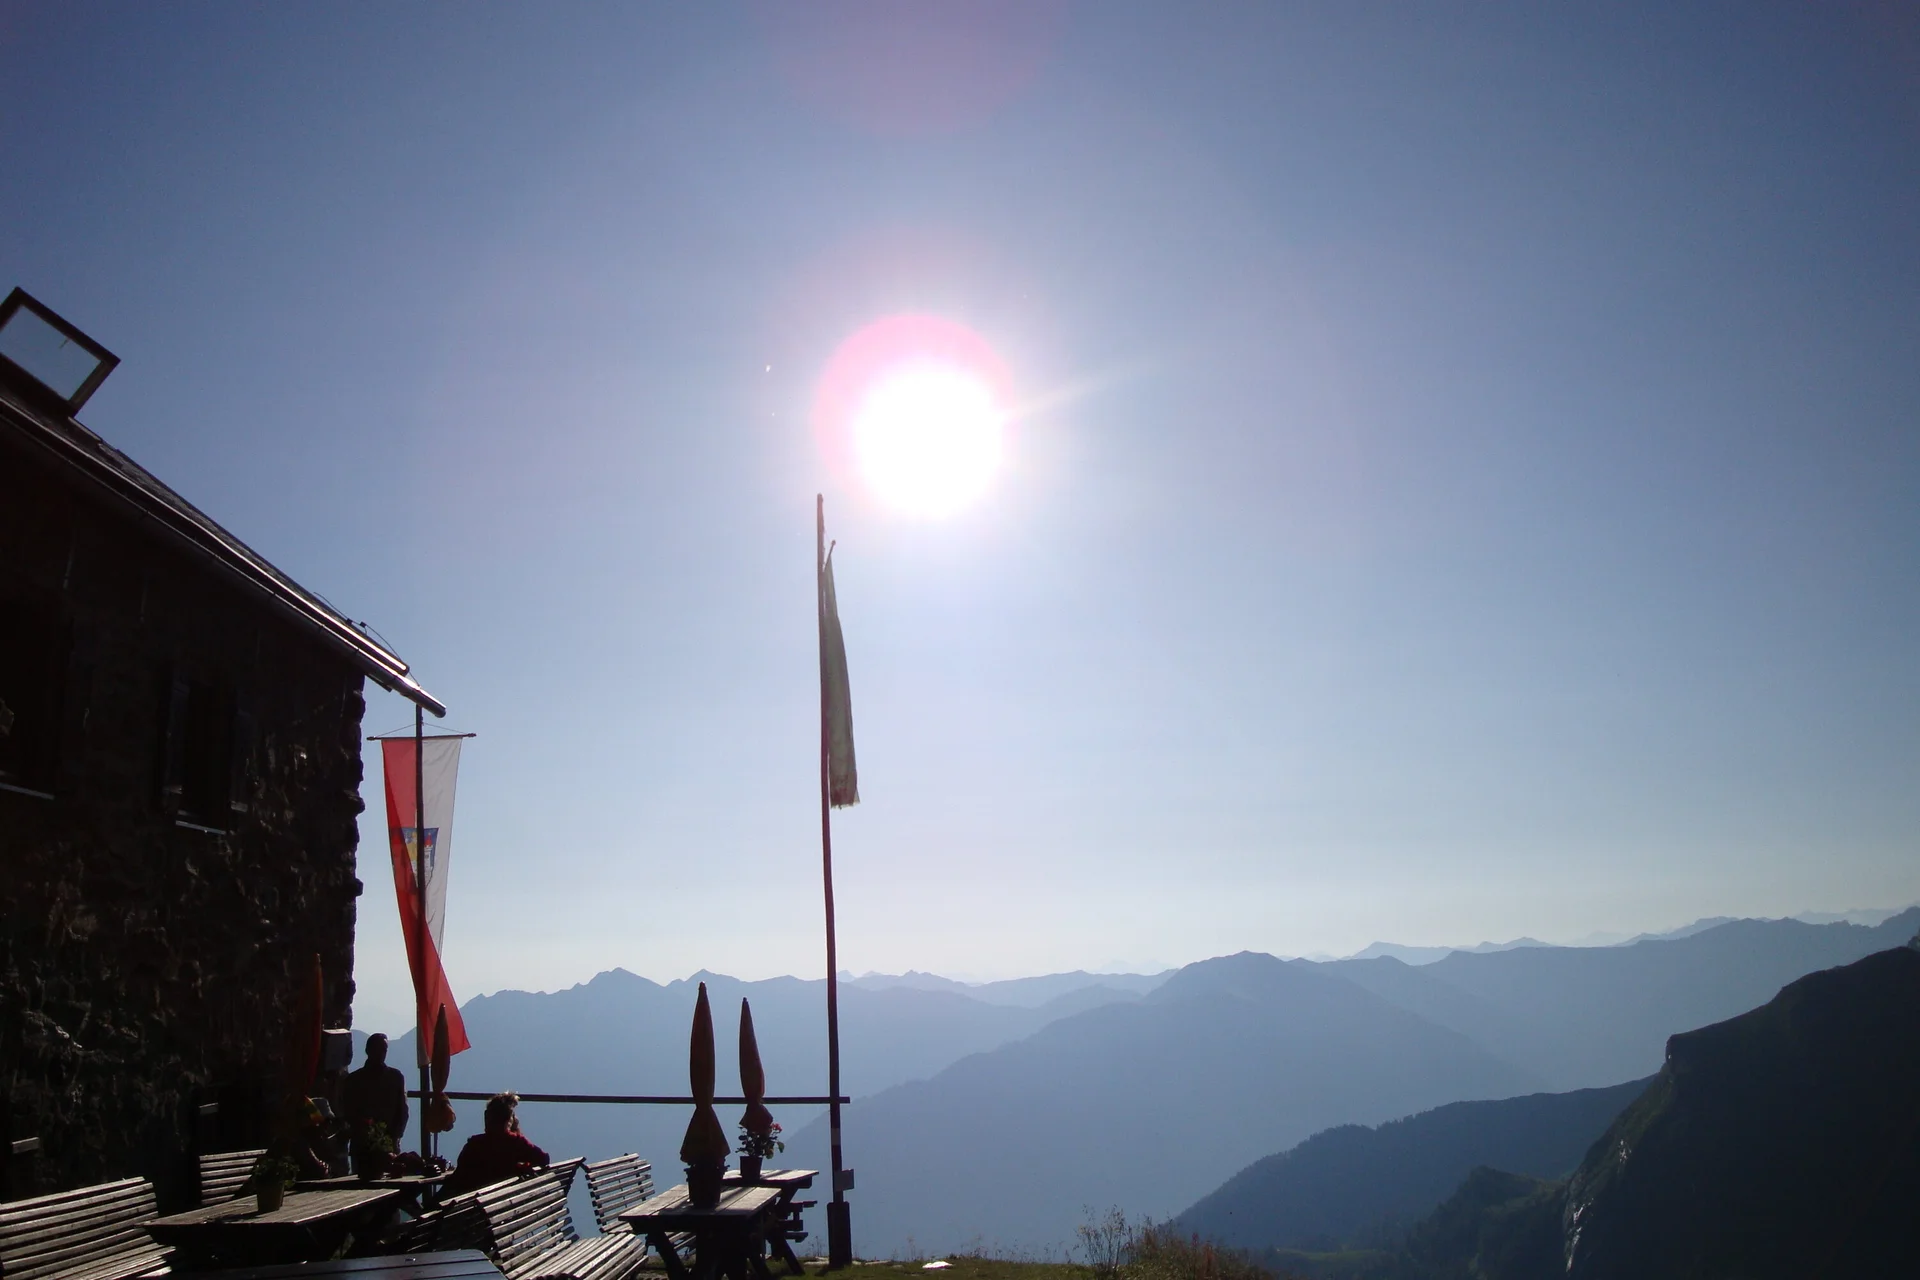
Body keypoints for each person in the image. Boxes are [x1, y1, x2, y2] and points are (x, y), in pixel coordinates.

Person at [441, 1093, 550, 1196]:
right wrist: (520, 1167)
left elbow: (459, 1177)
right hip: (499, 1204)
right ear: (509, 1120)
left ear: (488, 1117)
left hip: (468, 1206)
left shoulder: (474, 1145)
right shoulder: (516, 1143)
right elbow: (543, 1159)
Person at [342, 1033, 409, 1162]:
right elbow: (348, 1112)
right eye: (378, 1049)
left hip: (388, 1142)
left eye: (384, 1049)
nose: (381, 1053)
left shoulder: (395, 1077)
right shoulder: (353, 1081)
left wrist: (396, 1137)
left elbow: (403, 1111)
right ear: (368, 1050)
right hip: (362, 1144)